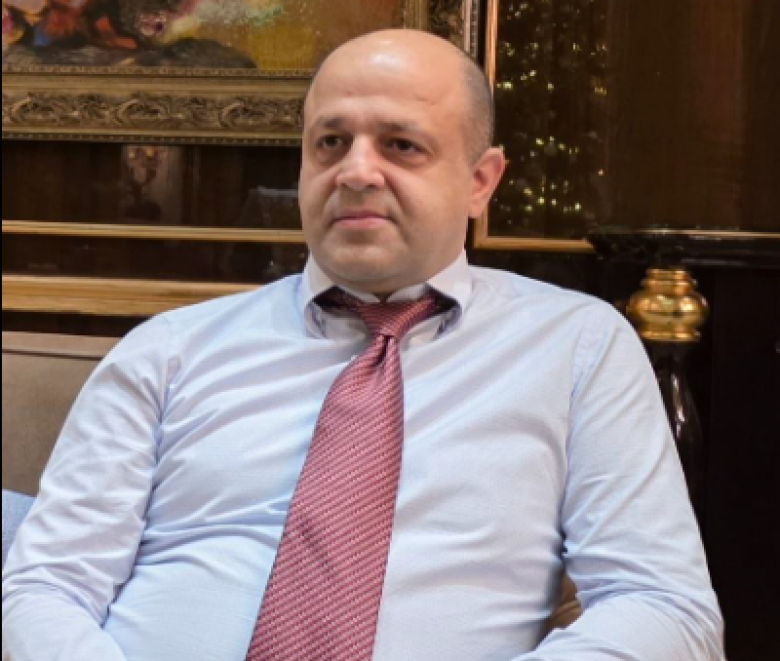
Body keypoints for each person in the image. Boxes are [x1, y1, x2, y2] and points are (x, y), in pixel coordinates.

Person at [2, 29, 724, 660]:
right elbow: (45, 585)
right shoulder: (169, 351)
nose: (354, 171)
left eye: (401, 145)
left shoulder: (578, 348)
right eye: (330, 142)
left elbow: (664, 607)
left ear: (480, 180)